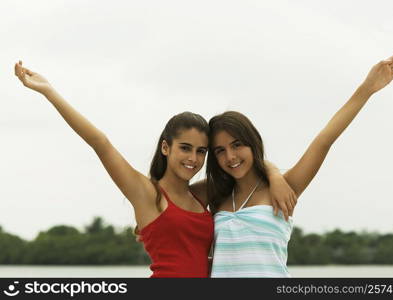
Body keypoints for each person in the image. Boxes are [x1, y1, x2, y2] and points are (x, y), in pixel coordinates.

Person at [14, 61, 296, 277]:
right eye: (185, 148)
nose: (193, 159)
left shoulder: (203, 193)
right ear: (166, 148)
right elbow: (100, 143)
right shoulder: (147, 194)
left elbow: (242, 171)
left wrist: (274, 174)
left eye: (201, 151)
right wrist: (50, 92)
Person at [206, 51, 393, 277]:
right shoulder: (215, 195)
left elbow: (324, 140)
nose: (230, 156)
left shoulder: (285, 187)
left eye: (237, 145)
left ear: (252, 143)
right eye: (220, 151)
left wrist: (367, 88)